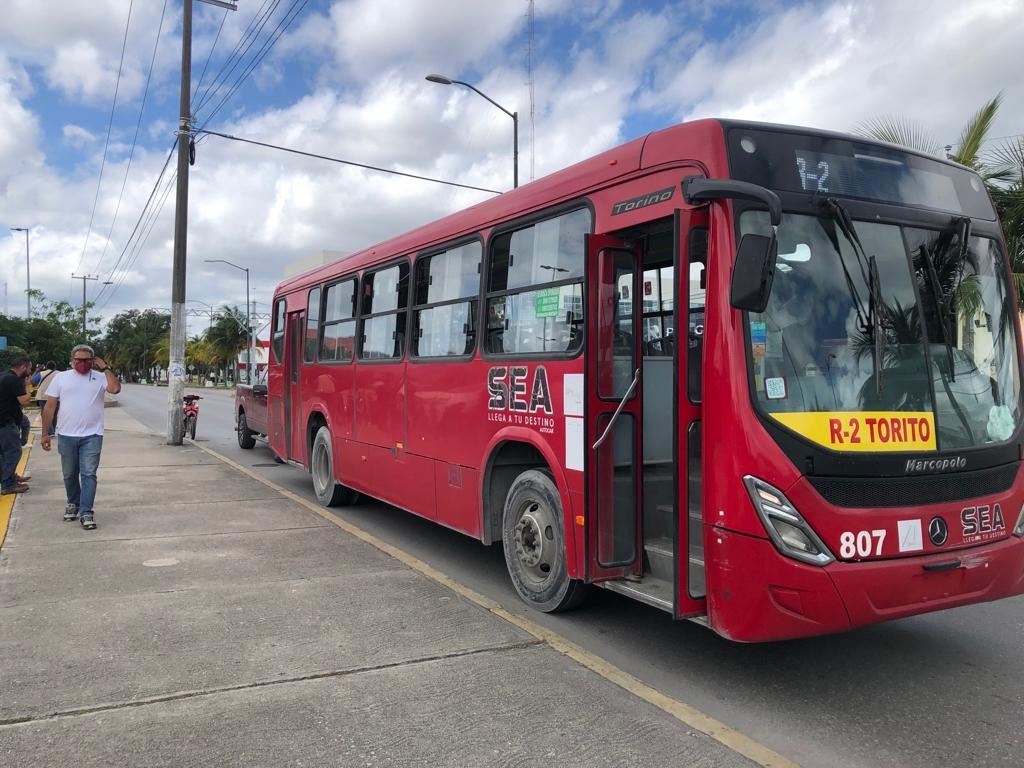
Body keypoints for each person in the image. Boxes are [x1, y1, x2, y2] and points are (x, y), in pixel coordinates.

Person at [40, 345, 121, 530]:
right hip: (66, 435)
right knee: (69, 474)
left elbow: (115, 389)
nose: (82, 363)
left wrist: (105, 368)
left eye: (86, 360)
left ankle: (86, 512)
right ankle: (73, 503)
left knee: (89, 474)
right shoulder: (61, 378)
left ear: (93, 361)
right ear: (71, 360)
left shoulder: (100, 377)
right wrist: (45, 433)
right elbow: (50, 406)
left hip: (92, 436)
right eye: (78, 360)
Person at [1, 355, 33, 495]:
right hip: (6, 422)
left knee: (4, 454)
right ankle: (8, 484)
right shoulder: (13, 379)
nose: (30, 372)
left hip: (3, 420)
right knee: (14, 452)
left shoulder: (3, 375)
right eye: (29, 368)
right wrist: (27, 385)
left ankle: (10, 477)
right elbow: (24, 400)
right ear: (23, 367)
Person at [35, 361, 59, 436]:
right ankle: (53, 431)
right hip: (56, 396)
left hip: (43, 396)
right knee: (54, 413)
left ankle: (50, 431)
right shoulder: (60, 374)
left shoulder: (41, 373)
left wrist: (37, 371)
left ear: (46, 367)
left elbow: (32, 381)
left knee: (45, 413)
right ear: (55, 367)